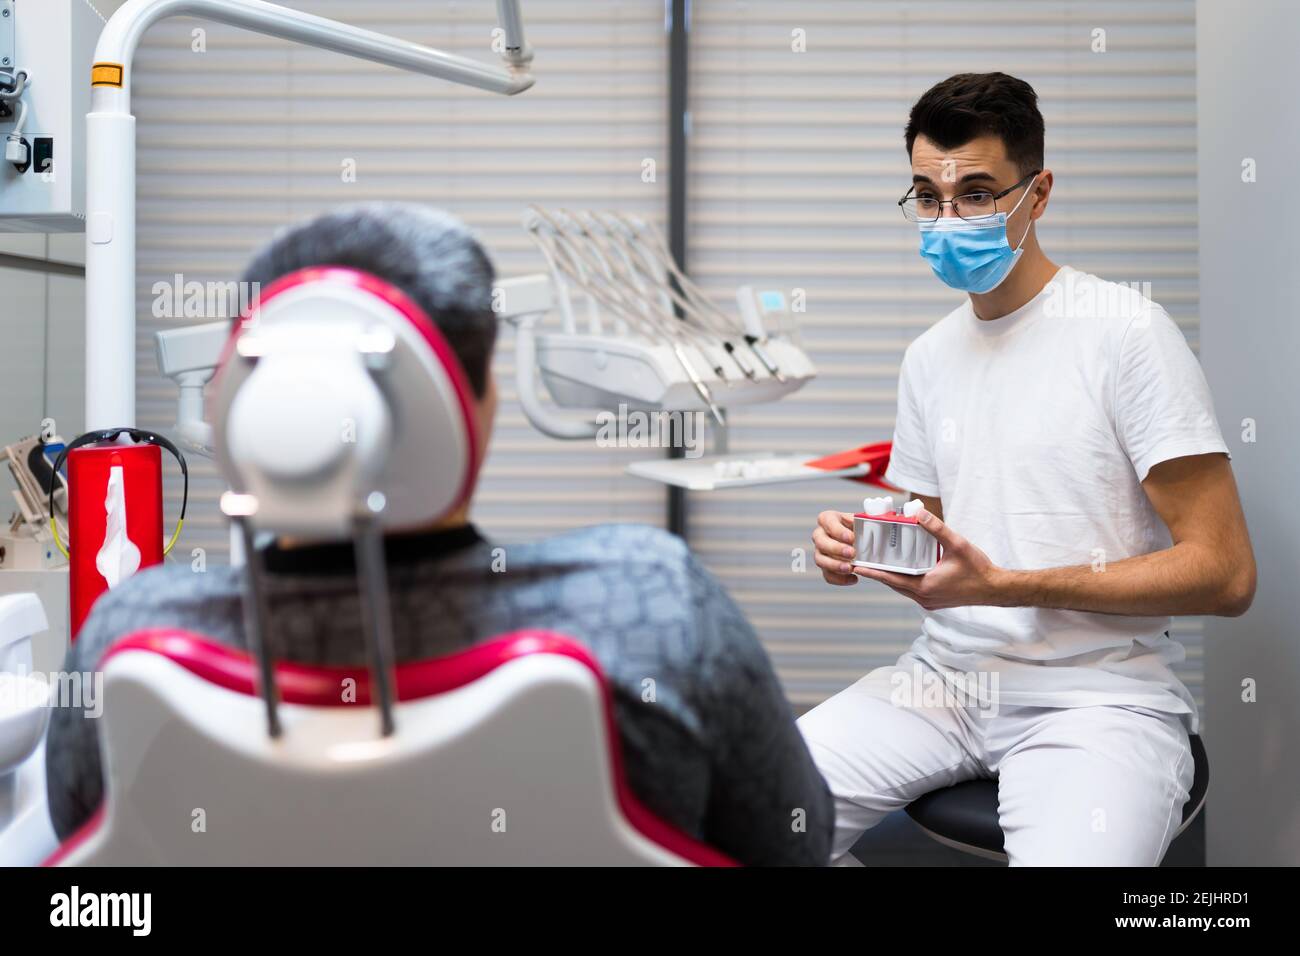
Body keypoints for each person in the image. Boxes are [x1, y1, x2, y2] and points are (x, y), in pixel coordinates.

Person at [46, 202, 832, 866]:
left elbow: (81, 839)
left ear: (243, 398)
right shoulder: (655, 608)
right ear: (473, 409)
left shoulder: (131, 636)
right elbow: (793, 843)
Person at [803, 73, 1255, 866]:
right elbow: (926, 535)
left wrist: (1006, 585)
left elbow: (1224, 575)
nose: (948, 220)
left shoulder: (1126, 335)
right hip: (942, 683)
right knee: (727, 823)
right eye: (928, 196)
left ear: (1038, 194)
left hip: (1099, 700)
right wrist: (859, 550)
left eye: (977, 194)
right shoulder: (928, 358)